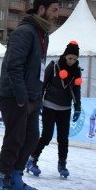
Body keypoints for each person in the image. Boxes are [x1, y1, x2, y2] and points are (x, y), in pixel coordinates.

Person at [0, 0, 59, 190]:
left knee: (31, 138)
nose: (57, 15)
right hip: (14, 95)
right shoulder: (24, 32)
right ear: (41, 9)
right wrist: (21, 96)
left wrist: (36, 97)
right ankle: (1, 180)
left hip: (31, 96)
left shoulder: (42, 34)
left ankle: (16, 176)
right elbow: (14, 66)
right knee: (15, 139)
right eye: (54, 10)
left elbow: (37, 69)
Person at [26, 40, 83, 178]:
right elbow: (43, 85)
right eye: (70, 58)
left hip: (65, 108)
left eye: (75, 59)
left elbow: (77, 90)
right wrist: (39, 102)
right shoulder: (53, 66)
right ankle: (32, 160)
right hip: (50, 105)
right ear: (65, 56)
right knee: (46, 136)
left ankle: (62, 164)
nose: (72, 61)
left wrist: (77, 107)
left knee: (63, 138)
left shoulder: (76, 71)